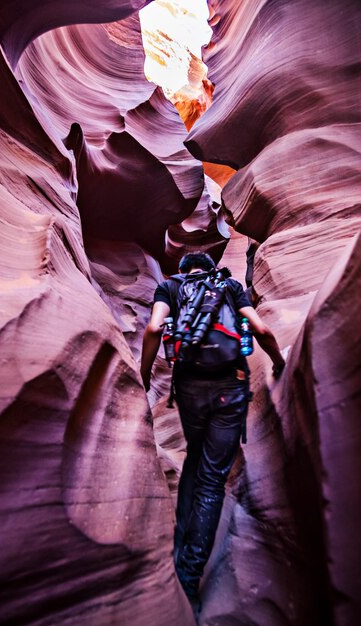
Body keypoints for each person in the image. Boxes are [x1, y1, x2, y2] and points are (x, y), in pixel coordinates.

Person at [140, 252, 285, 618]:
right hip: (229, 387)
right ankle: (189, 574)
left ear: (185, 267)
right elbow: (261, 329)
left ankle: (178, 537)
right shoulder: (231, 287)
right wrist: (280, 362)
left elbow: (154, 329)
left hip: (189, 388)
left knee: (194, 452)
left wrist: (143, 375)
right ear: (207, 265)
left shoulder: (169, 287)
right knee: (211, 479)